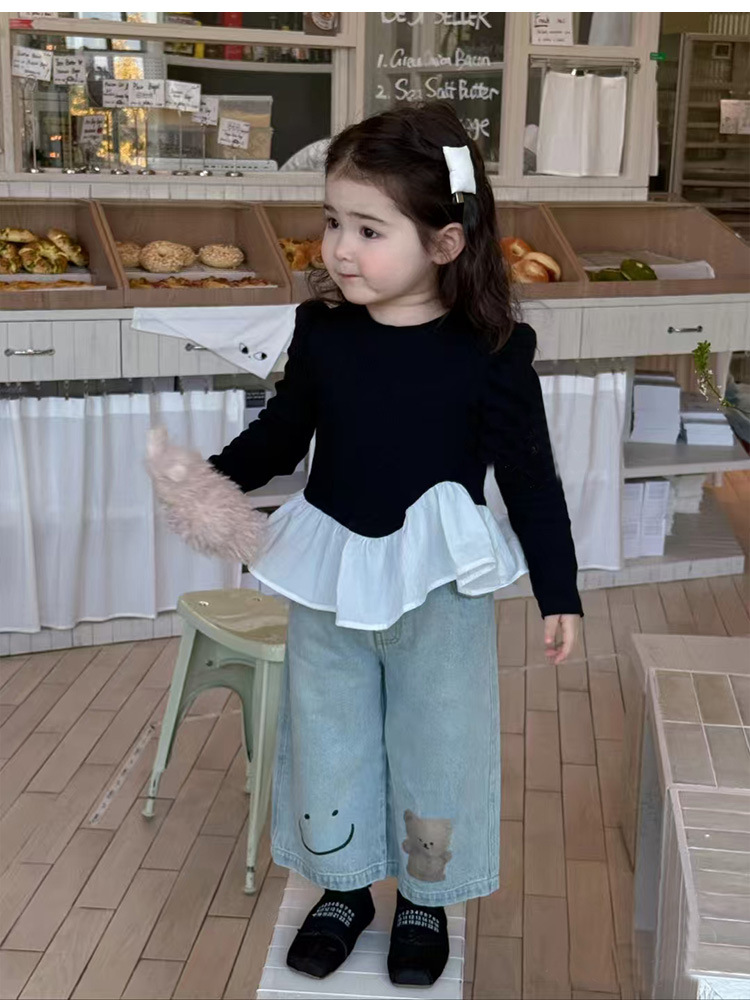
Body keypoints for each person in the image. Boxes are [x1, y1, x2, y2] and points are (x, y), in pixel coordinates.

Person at [147, 102, 582, 988]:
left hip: (440, 586)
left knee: (439, 742)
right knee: (328, 735)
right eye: (333, 221)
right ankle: (343, 889)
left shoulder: (493, 349)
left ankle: (426, 895)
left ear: (446, 242)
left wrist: (559, 591)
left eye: (369, 230)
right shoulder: (324, 332)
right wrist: (207, 480)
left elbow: (531, 479)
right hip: (331, 575)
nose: (340, 249)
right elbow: (282, 436)